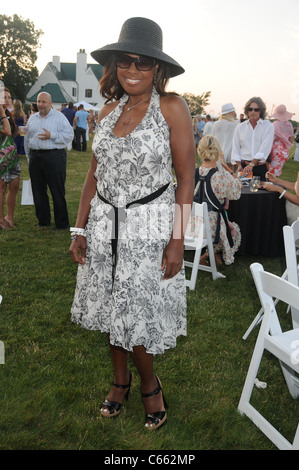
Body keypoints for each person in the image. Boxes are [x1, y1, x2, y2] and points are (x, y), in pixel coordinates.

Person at [69, 16, 195, 430]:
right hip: (105, 224)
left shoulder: (172, 108)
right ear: (115, 64)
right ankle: (119, 381)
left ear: (157, 69)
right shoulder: (106, 111)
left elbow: (186, 176)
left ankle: (149, 384)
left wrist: (177, 240)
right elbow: (93, 173)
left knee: (136, 310)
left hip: (149, 228)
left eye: (143, 63)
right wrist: (80, 228)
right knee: (110, 306)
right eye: (126, 60)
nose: (133, 70)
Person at [24, 92, 74, 229]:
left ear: (50, 103)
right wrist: (29, 157)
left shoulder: (59, 117)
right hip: (35, 158)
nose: (40, 104)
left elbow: (69, 135)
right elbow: (27, 139)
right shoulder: (32, 118)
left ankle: (62, 223)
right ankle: (43, 221)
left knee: (57, 191)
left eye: (44, 102)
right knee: (38, 191)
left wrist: (51, 135)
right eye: (39, 101)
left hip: (54, 157)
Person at [194, 135, 242, 265]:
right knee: (233, 229)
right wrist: (227, 168)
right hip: (211, 226)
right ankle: (210, 254)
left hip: (190, 224)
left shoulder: (193, 173)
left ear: (200, 151)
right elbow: (237, 191)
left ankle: (209, 254)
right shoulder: (222, 176)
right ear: (218, 152)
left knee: (225, 224)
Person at [231, 97, 274, 180]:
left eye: (256, 109)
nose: (253, 112)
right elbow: (235, 148)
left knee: (260, 192)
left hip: (259, 168)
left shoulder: (268, 127)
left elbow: (264, 148)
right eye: (250, 109)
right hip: (244, 168)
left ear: (261, 110)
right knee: (243, 192)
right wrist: (239, 165)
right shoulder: (240, 127)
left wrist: (252, 164)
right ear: (247, 110)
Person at [0, 87, 20, 229]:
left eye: (9, 97)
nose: (8, 100)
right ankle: (1, 220)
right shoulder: (2, 115)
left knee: (14, 186)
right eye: (4, 97)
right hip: (1, 159)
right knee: (1, 189)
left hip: (12, 157)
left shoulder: (8, 114)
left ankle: (10, 217)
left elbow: (11, 133)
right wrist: (1, 112)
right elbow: (6, 131)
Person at [268, 104, 294, 176]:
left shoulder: (275, 124)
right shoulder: (289, 125)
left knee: (271, 172)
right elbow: (291, 139)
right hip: (284, 151)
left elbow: (271, 139)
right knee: (277, 171)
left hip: (275, 151)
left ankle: (271, 186)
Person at [212, 103, 237, 171]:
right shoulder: (234, 125)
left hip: (217, 154)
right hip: (230, 155)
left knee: (218, 176)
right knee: (230, 176)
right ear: (231, 113)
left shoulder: (215, 124)